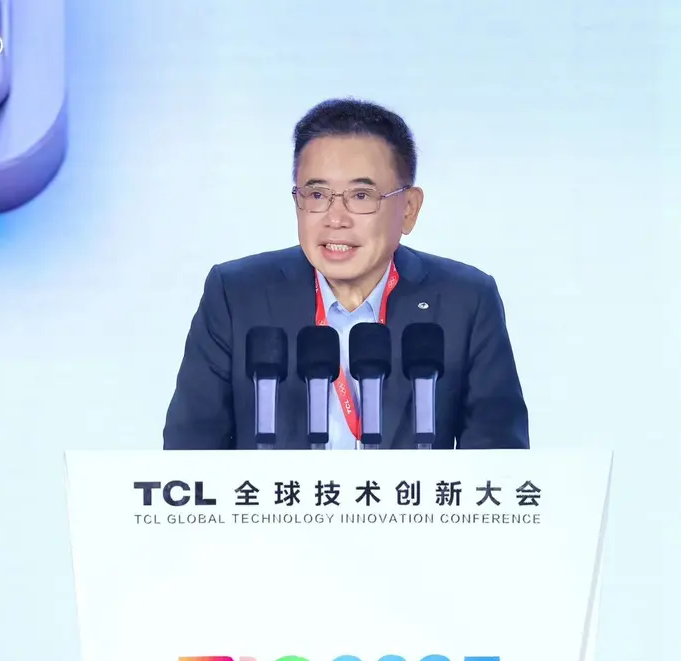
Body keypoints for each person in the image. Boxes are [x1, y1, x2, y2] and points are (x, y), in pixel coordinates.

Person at [163, 98, 529, 450]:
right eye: (317, 195)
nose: (335, 219)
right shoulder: (237, 295)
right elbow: (189, 458)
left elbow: (500, 465)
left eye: (361, 196)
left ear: (409, 209)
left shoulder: (465, 301)